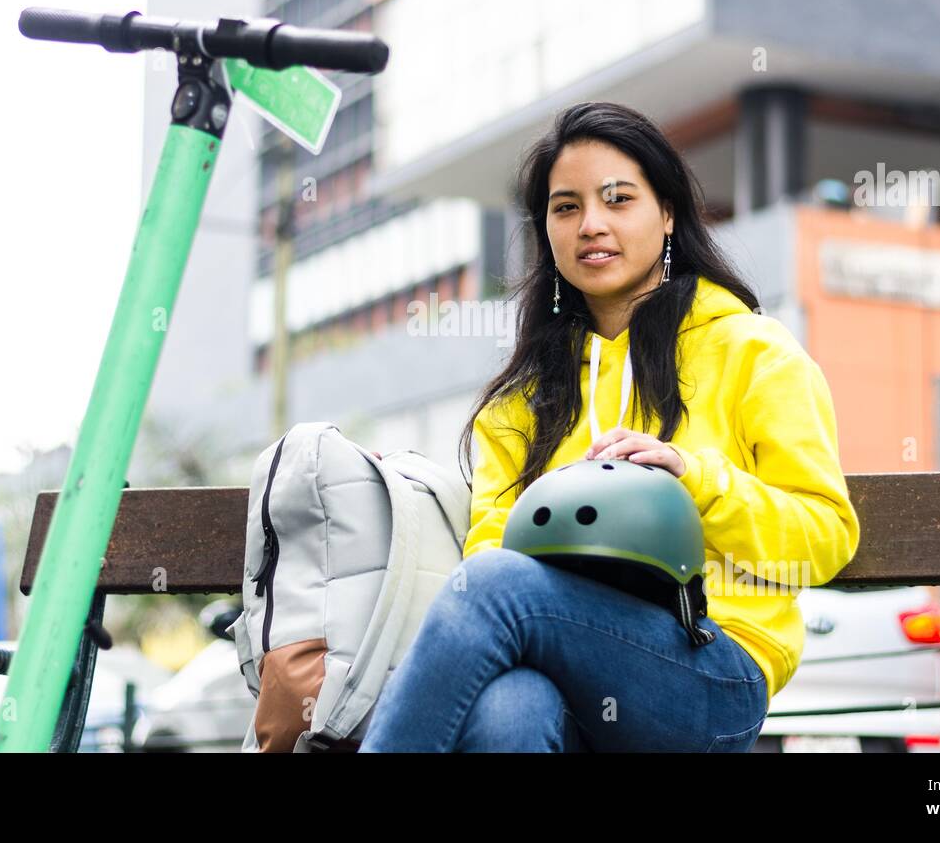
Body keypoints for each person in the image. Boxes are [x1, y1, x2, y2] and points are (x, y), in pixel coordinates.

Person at [357, 101, 860, 753]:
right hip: (564, 676)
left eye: (618, 199)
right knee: (513, 709)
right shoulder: (521, 401)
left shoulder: (753, 352)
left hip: (711, 672)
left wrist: (696, 479)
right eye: (566, 207)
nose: (591, 224)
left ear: (668, 212)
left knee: (491, 590)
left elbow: (826, 535)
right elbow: (490, 545)